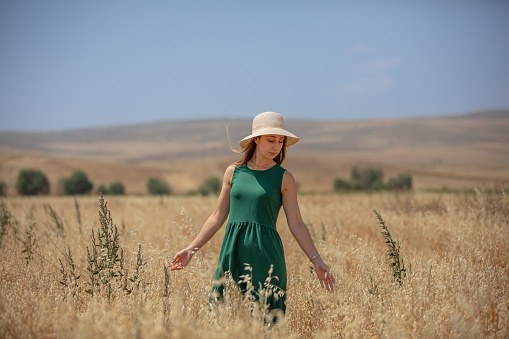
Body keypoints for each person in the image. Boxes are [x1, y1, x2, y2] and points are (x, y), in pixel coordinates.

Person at [170, 111, 335, 317]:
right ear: (256, 139)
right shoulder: (233, 172)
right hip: (232, 254)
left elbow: (297, 224)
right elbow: (217, 216)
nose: (276, 146)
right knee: (223, 317)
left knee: (267, 322)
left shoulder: (284, 178)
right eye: (271, 140)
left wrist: (316, 259)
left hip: (267, 259)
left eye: (281, 141)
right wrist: (191, 249)